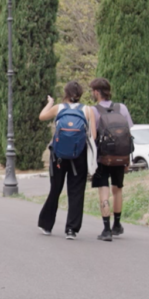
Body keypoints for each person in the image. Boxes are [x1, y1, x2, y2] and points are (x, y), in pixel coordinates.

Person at [37, 81, 96, 239]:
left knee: (55, 189)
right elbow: (93, 136)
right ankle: (71, 229)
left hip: (58, 156)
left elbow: (41, 116)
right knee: (76, 192)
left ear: (66, 93)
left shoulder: (59, 108)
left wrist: (50, 103)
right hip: (79, 156)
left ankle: (46, 225)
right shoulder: (88, 110)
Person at [90, 77, 133, 241]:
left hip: (102, 157)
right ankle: (117, 224)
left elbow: (92, 135)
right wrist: (127, 158)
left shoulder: (94, 111)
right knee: (117, 189)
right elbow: (129, 131)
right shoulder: (121, 108)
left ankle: (106, 229)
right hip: (121, 157)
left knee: (104, 191)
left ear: (96, 92)